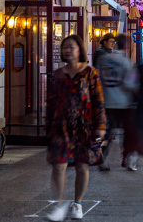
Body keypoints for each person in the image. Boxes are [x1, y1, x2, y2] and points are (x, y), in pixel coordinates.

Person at [45, 35, 106, 221]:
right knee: (58, 165)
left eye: (72, 47)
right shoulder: (57, 74)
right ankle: (58, 205)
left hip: (85, 126)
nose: (68, 50)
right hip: (61, 126)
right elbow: (51, 103)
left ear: (80, 50)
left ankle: (77, 203)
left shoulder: (90, 72)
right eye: (65, 47)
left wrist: (101, 126)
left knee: (82, 165)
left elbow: (98, 100)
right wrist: (47, 126)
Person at [97, 34, 140, 171]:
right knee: (128, 132)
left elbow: (98, 79)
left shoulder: (104, 60)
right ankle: (126, 158)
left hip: (107, 101)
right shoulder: (126, 62)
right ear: (126, 45)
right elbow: (130, 84)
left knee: (107, 132)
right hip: (123, 103)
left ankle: (102, 158)